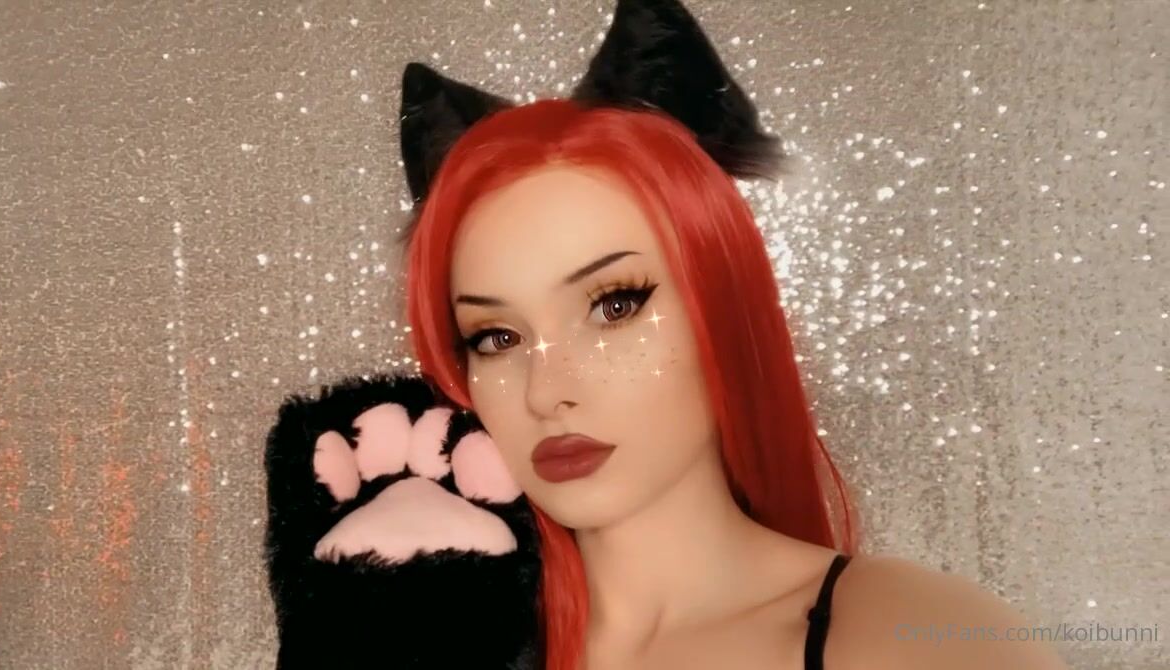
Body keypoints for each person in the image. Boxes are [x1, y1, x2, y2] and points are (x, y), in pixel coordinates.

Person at [264, 0, 1069, 668]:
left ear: (721, 305)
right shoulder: (450, 643)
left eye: (614, 306)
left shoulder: (905, 637)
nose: (549, 390)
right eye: (496, 337)